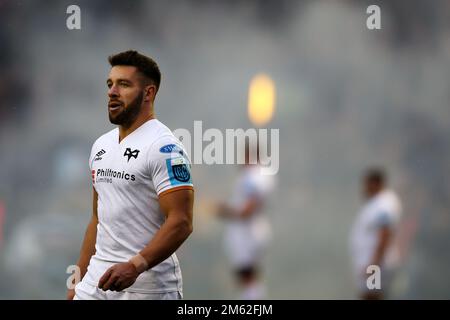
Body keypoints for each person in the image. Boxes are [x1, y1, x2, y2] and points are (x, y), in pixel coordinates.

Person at [67, 50, 194, 300]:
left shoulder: (165, 148)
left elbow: (181, 222)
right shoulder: (100, 146)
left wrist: (135, 266)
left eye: (124, 84)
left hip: (147, 289)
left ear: (149, 92)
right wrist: (77, 284)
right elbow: (97, 218)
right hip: (95, 284)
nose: (112, 91)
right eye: (110, 84)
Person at [217, 142, 275, 300]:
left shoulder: (252, 176)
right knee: (252, 277)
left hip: (246, 233)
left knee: (247, 277)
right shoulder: (264, 174)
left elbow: (247, 209)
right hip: (256, 230)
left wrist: (224, 211)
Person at [349, 168, 402, 299]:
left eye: (366, 184)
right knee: (371, 295)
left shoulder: (384, 204)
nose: (364, 188)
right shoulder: (377, 203)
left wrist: (374, 264)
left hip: (377, 264)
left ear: (375, 183)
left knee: (372, 296)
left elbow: (385, 234)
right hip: (374, 263)